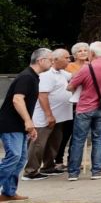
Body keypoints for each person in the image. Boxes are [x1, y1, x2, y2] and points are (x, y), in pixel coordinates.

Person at [67, 40, 101, 182]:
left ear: (92, 53)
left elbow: (70, 87)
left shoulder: (87, 68)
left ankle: (73, 173)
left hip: (85, 107)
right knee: (99, 139)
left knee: (79, 140)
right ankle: (97, 170)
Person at [2, 49, 52, 203]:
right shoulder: (27, 77)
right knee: (14, 157)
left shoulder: (33, 77)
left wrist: (30, 124)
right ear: (41, 60)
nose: (52, 62)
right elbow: (17, 99)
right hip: (10, 124)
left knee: (20, 158)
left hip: (18, 125)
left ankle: (9, 192)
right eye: (50, 59)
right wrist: (28, 121)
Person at [23, 47, 72, 180]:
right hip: (45, 117)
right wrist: (49, 115)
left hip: (59, 117)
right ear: (56, 60)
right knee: (38, 143)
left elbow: (75, 76)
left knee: (54, 142)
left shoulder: (61, 73)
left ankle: (48, 166)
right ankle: (30, 171)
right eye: (66, 58)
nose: (69, 60)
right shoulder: (46, 74)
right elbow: (42, 96)